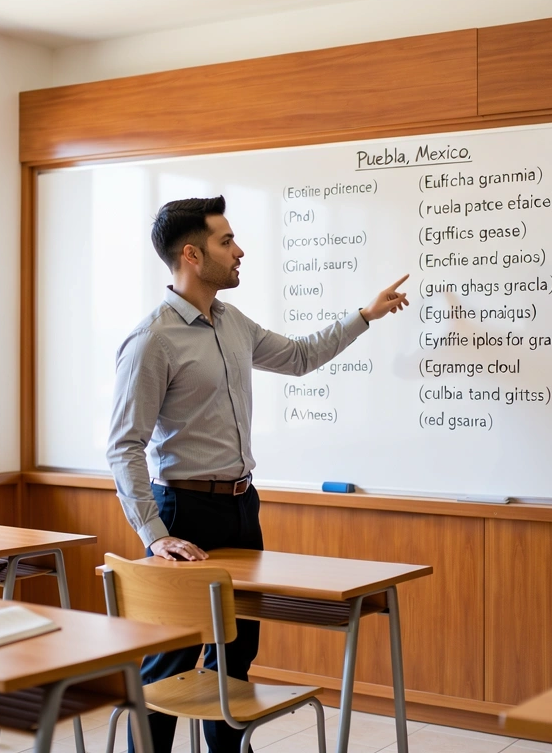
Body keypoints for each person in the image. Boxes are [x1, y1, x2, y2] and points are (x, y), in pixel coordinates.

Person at [106, 195, 408, 753]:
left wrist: (364, 316)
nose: (239, 250)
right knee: (169, 666)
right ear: (193, 255)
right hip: (183, 514)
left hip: (243, 509)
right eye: (226, 241)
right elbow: (124, 445)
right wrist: (155, 534)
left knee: (235, 659)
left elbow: (297, 357)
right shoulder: (153, 339)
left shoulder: (231, 322)